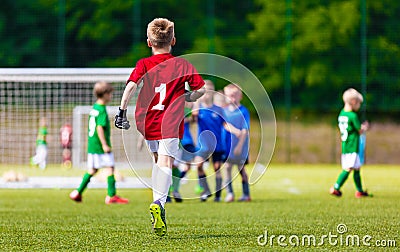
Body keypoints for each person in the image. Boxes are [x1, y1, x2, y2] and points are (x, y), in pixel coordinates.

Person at [115, 18, 205, 236]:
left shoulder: (143, 64)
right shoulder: (182, 64)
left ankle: (158, 201)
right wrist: (189, 96)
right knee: (166, 161)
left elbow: (130, 87)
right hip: (169, 121)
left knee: (157, 160)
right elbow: (200, 90)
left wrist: (121, 111)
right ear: (173, 40)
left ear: (149, 42)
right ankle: (159, 204)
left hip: (146, 121)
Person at [69, 81, 129, 205]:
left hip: (92, 144)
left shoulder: (94, 108)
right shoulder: (101, 109)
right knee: (110, 168)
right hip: (100, 145)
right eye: (110, 94)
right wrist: (104, 144)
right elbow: (99, 128)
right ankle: (111, 196)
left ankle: (77, 192)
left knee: (93, 169)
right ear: (105, 94)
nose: (111, 97)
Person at [330, 88, 370, 198]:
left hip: (346, 145)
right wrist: (365, 127)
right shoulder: (353, 116)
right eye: (358, 103)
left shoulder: (342, 114)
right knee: (348, 169)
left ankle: (360, 191)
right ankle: (336, 187)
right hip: (352, 146)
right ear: (353, 102)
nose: (359, 106)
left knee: (357, 168)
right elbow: (359, 130)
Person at [192, 80, 227, 202]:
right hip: (203, 145)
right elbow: (193, 116)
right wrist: (197, 100)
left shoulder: (219, 109)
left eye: (208, 90)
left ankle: (217, 196)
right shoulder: (199, 108)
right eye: (204, 90)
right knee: (198, 165)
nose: (206, 93)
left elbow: (226, 125)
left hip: (217, 145)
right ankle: (205, 190)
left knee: (217, 169)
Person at [222, 84, 251, 202]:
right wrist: (234, 131)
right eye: (229, 95)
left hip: (240, 147)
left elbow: (245, 130)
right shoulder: (224, 111)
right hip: (228, 146)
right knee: (227, 168)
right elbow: (224, 124)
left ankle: (246, 194)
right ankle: (230, 193)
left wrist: (239, 146)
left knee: (241, 169)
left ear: (240, 96)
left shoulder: (243, 111)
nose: (231, 98)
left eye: (234, 95)